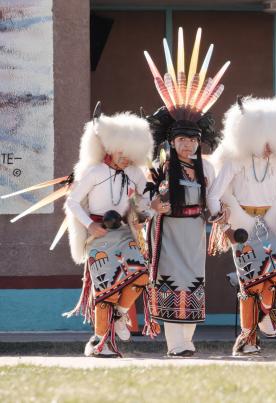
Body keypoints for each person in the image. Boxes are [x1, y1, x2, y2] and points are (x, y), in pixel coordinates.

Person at [143, 26, 227, 357]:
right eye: (182, 139)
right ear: (172, 141)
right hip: (169, 230)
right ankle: (174, 344)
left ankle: (187, 342)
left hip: (194, 230)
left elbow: (212, 198)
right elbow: (143, 198)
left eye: (192, 139)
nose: (188, 144)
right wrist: (153, 207)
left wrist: (220, 214)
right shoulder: (160, 166)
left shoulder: (207, 167)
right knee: (170, 283)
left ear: (198, 141)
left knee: (193, 283)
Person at [207, 94, 276, 356]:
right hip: (241, 228)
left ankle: (265, 313)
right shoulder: (235, 159)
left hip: (270, 226)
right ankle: (249, 339)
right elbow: (213, 196)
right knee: (251, 284)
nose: (270, 145)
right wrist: (225, 228)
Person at [63, 105, 154, 357]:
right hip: (98, 235)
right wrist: (90, 225)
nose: (126, 157)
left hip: (124, 233)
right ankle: (101, 342)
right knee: (105, 289)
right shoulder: (94, 171)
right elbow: (72, 202)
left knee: (141, 274)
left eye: (131, 152)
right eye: (122, 151)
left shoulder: (135, 173)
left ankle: (120, 314)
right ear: (111, 146)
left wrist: (151, 207)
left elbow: (145, 201)